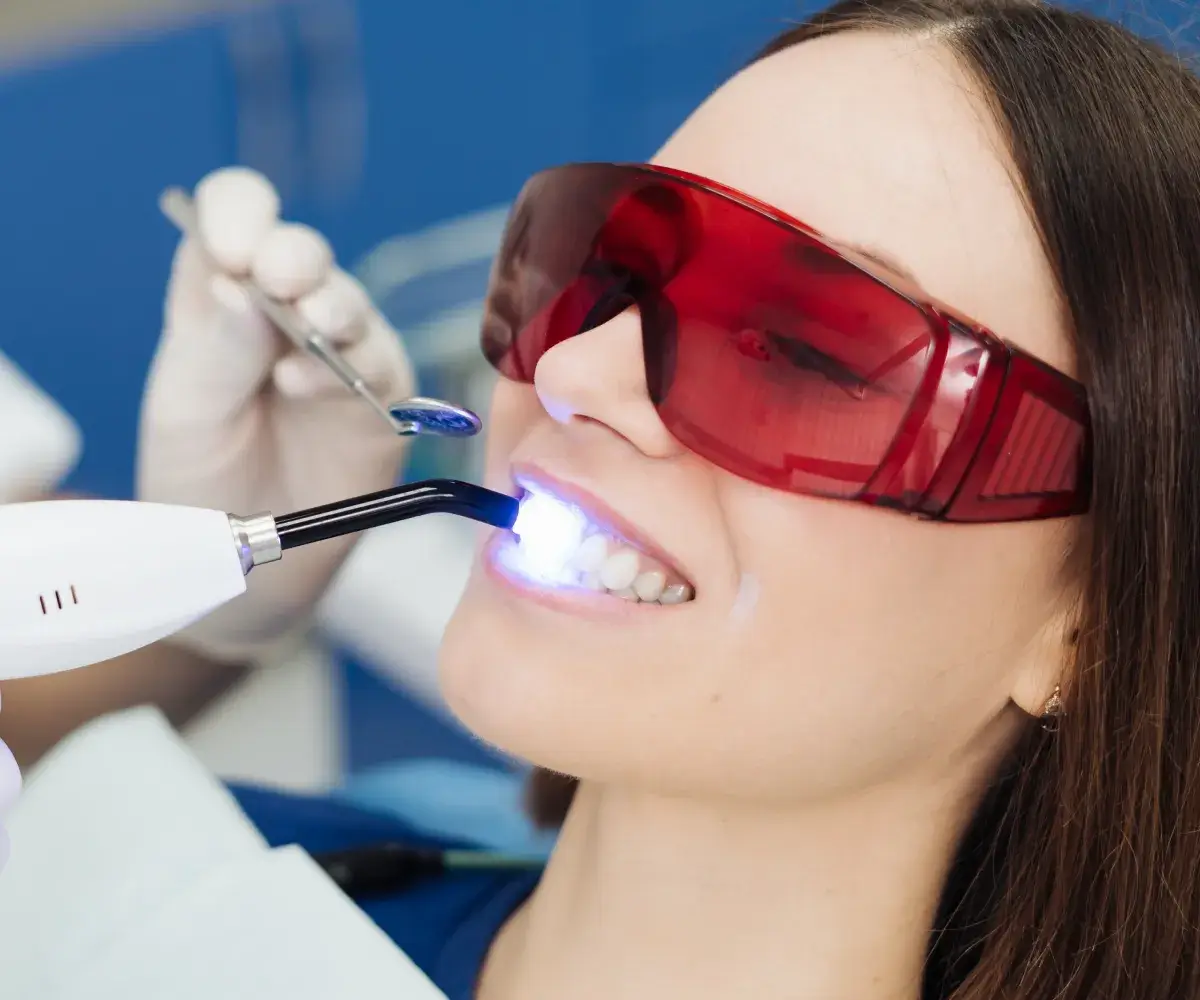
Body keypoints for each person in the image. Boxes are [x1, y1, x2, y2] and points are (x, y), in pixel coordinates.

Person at [8, 1, 1200, 998]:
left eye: (803, 353)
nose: (573, 374)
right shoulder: (216, 866)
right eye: (606, 266)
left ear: (1090, 621)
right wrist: (196, 627)